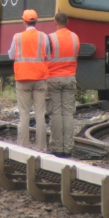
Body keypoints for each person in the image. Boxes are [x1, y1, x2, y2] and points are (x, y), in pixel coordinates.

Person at [8, 9, 50, 152]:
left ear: (24, 21)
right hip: (40, 78)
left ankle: (23, 146)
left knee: (24, 114)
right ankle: (41, 147)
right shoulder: (44, 37)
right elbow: (48, 55)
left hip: (23, 78)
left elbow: (11, 55)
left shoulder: (17, 37)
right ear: (36, 21)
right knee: (40, 114)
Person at [47, 12, 80, 157]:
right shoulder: (75, 37)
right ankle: (68, 147)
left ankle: (57, 147)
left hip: (54, 78)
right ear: (67, 22)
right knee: (68, 112)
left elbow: (46, 56)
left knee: (56, 113)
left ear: (55, 22)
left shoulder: (51, 38)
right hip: (70, 78)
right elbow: (76, 54)